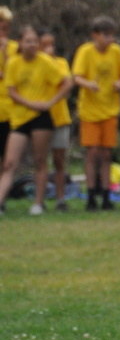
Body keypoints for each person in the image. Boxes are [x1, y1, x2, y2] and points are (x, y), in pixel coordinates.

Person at [0, 26, 71, 216]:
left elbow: (66, 82)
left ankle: (38, 203)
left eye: (34, 41)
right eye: (27, 41)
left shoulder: (45, 62)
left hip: (41, 117)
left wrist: (51, 102)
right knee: (9, 163)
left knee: (40, 161)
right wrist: (30, 103)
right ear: (20, 43)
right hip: (20, 118)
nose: (31, 45)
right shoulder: (13, 63)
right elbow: (12, 91)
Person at [72, 15, 120, 211]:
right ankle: (90, 195)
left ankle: (106, 195)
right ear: (95, 35)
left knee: (106, 154)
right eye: (105, 35)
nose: (109, 39)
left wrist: (119, 84)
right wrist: (89, 84)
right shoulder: (85, 51)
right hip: (90, 111)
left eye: (111, 35)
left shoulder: (116, 51)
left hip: (110, 109)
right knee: (92, 153)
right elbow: (76, 76)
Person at [39, 32, 74, 210]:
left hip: (60, 118)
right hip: (40, 119)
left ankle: (61, 199)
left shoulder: (61, 63)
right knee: (41, 161)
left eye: (52, 44)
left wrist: (50, 61)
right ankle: (40, 200)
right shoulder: (34, 65)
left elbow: (64, 83)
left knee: (59, 160)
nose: (49, 48)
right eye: (45, 45)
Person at [0, 6, 19, 163]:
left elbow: (15, 74)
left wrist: (5, 52)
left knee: (7, 156)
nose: (1, 33)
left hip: (10, 109)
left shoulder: (15, 48)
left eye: (4, 29)